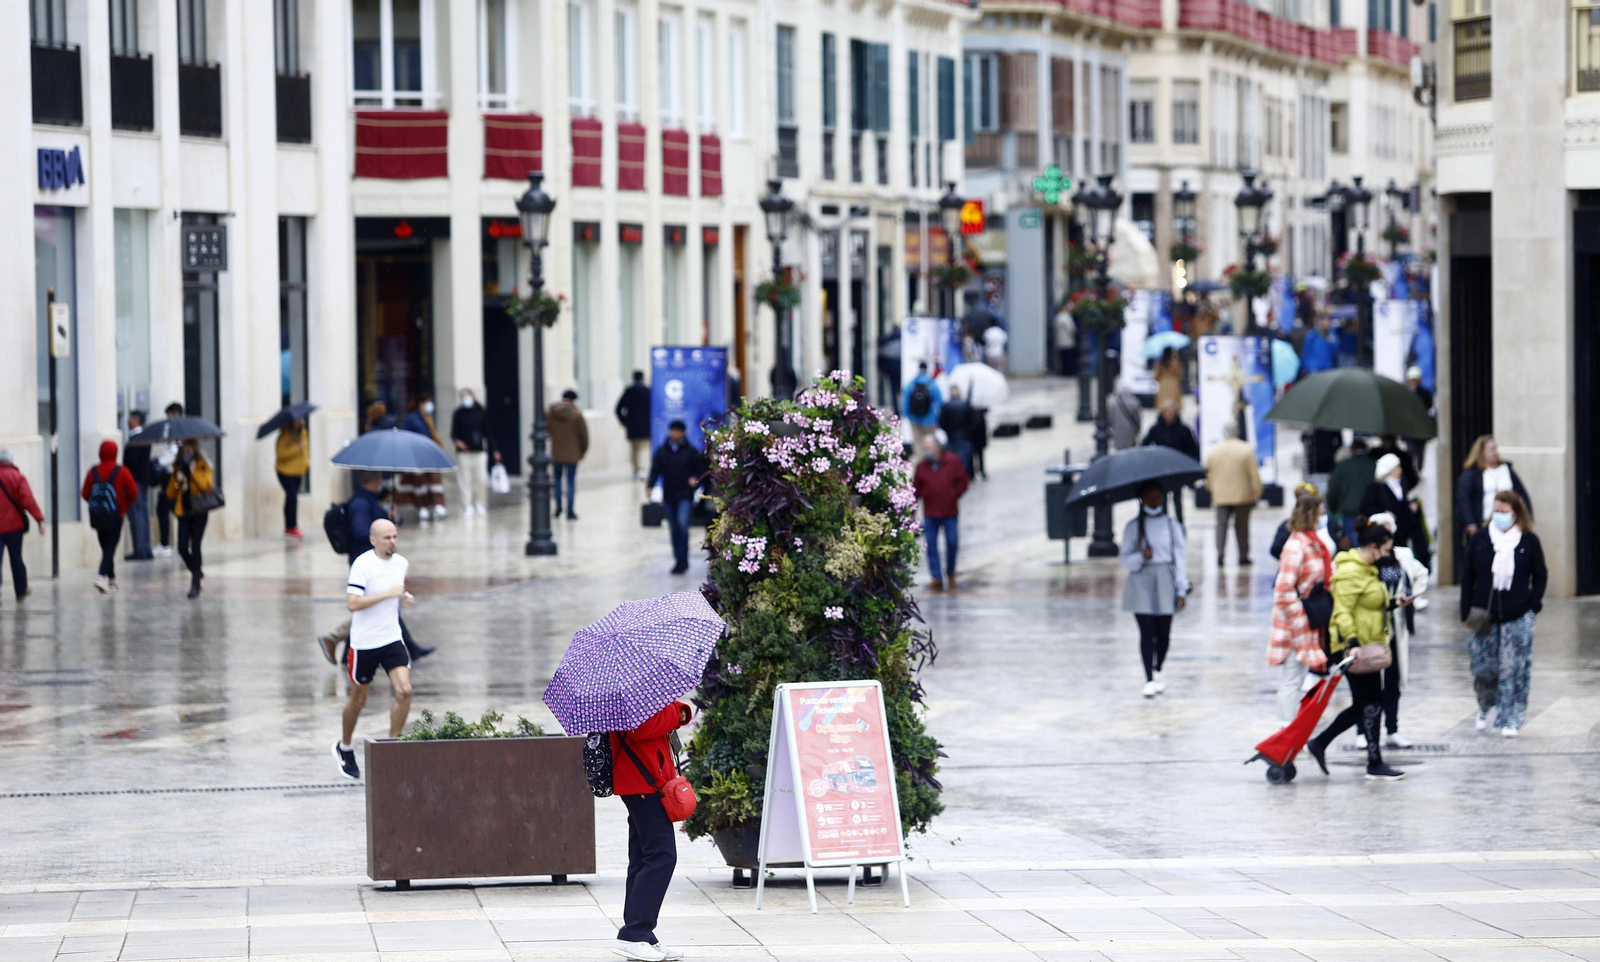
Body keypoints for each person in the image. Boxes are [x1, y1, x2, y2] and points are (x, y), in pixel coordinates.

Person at [1305, 520, 1407, 781]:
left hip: (1367, 646)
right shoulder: (1351, 572)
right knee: (1370, 704)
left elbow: (1370, 605)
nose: (1387, 555)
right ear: (1372, 547)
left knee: (1367, 704)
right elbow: (1343, 611)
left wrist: (1394, 603)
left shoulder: (1369, 569)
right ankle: (1371, 761)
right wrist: (1352, 644)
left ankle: (1323, 745)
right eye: (1385, 550)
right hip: (1354, 649)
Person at [316, 472, 435, 666]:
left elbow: (380, 527)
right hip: (365, 562)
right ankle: (334, 638)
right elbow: (361, 530)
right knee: (381, 606)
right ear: (376, 481)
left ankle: (346, 649)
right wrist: (382, 530)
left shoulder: (369, 501)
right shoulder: (360, 503)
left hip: (377, 560)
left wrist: (390, 520)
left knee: (380, 606)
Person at [332, 518, 416, 781]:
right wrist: (389, 594)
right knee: (358, 701)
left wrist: (404, 597)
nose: (392, 542)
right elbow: (353, 604)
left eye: (394, 536)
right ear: (373, 540)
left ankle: (392, 748)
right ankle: (344, 747)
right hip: (364, 643)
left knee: (404, 691)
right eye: (387, 538)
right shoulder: (362, 564)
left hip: (391, 638)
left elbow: (397, 594)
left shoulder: (401, 563)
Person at [611, 699, 693, 962]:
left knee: (642, 858)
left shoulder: (636, 688)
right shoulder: (627, 692)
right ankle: (634, 933)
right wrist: (674, 711)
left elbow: (657, 716)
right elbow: (643, 727)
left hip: (645, 781)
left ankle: (641, 934)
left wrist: (676, 709)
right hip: (643, 783)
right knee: (661, 857)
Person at [1460, 491, 1546, 738]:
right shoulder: (1481, 539)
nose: (1499, 516)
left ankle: (1511, 718)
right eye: (1495, 511)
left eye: (1504, 512)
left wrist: (1533, 604)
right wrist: (1464, 613)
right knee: (1483, 668)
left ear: (1516, 514)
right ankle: (1485, 705)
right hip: (1484, 616)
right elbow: (1468, 577)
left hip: (1518, 615)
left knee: (1514, 669)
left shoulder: (1528, 541)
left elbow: (1540, 574)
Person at [1364, 511, 1429, 749]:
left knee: (1393, 679)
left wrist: (1412, 597)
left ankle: (1392, 728)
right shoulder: (1361, 559)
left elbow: (1421, 574)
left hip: (1395, 627)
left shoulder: (1402, 555)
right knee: (1369, 681)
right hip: (1369, 629)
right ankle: (1364, 731)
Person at [1120, 481, 1190, 698]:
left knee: (1163, 633)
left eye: (1157, 497)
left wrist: (1181, 587)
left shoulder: (1172, 525)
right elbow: (1125, 558)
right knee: (1146, 631)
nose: (1153, 502)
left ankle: (1158, 667)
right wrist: (1142, 556)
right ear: (1141, 500)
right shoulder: (1133, 527)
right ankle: (1148, 676)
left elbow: (1180, 557)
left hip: (1164, 579)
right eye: (1149, 498)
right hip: (1141, 580)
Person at [1268, 494, 1332, 723]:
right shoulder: (1296, 546)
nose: (1323, 517)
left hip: (1308, 620)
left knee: (1298, 677)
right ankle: (1284, 732)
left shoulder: (1311, 542)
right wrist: (1301, 619)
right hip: (1296, 623)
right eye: (1320, 512)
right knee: (1292, 678)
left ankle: (1290, 731)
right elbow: (1283, 589)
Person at [1456, 435, 1533, 570]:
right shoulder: (1472, 474)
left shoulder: (1506, 469)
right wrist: (1470, 523)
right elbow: (1464, 499)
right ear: (1481, 453)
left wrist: (1526, 517)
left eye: (1496, 448)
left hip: (1510, 522)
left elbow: (1521, 494)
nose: (1495, 452)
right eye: (1491, 449)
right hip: (1486, 521)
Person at [912, 433, 969, 593]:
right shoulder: (921, 466)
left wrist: (953, 495)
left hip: (950, 512)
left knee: (952, 542)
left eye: (928, 448)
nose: (926, 452)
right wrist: (912, 511)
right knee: (931, 546)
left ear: (937, 448)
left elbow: (964, 481)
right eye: (924, 449)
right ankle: (936, 576)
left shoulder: (952, 461)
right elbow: (915, 490)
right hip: (930, 513)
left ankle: (950, 572)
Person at [648, 421, 706, 575]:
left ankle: (683, 558)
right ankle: (678, 559)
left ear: (683, 433)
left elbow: (700, 469)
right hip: (669, 495)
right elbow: (655, 470)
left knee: (682, 525)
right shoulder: (662, 451)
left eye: (678, 431)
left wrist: (695, 478)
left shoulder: (691, 451)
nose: (675, 434)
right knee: (673, 528)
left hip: (685, 496)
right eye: (673, 430)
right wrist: (650, 486)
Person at [82, 439, 139, 594]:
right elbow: (133, 492)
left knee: (106, 547)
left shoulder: (92, 471)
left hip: (98, 517)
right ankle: (101, 576)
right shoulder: (122, 471)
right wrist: (123, 507)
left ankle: (112, 580)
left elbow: (84, 492)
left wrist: (97, 506)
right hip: (116, 516)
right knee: (110, 548)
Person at [1359, 453, 1430, 568]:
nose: (1400, 470)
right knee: (1389, 560)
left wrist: (1410, 506)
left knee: (1405, 558)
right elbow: (1365, 508)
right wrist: (1384, 513)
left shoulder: (1402, 483)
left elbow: (1400, 504)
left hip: (1403, 530)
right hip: (1387, 531)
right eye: (1397, 467)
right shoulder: (1375, 487)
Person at [1204, 423, 1262, 566]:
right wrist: (1257, 491)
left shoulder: (1213, 451)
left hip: (1221, 495)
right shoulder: (1246, 450)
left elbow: (1208, 475)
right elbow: (1253, 474)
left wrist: (1211, 489)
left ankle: (1220, 554)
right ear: (1237, 432)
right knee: (1242, 527)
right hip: (1242, 495)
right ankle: (1243, 555)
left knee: (1221, 526)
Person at [165, 439, 216, 599]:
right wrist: (177, 481)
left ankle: (195, 585)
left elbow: (206, 486)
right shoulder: (178, 467)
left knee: (195, 546)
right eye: (183, 447)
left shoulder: (202, 464)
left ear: (194, 447)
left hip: (200, 510)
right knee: (181, 547)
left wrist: (193, 472)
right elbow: (171, 493)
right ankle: (197, 571)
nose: (186, 449)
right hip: (184, 511)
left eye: (189, 446)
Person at [0, 450, 45, 604]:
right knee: (16, 558)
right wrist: (39, 519)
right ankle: (21, 590)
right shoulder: (18, 477)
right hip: (14, 528)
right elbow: (27, 500)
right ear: (11, 461)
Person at [1143, 401, 1199, 523]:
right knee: (1162, 497)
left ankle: (1179, 523)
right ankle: (1164, 521)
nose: (1170, 414)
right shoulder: (1156, 429)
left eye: (1172, 412)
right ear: (1163, 414)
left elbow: (1192, 448)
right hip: (1160, 468)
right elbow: (1145, 445)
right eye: (1167, 412)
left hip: (1177, 468)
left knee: (1177, 498)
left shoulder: (1183, 429)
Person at [449, 387, 500, 517]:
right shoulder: (458, 413)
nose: (466, 399)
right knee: (464, 480)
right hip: (464, 453)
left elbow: (487, 432)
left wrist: (494, 450)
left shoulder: (480, 412)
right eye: (463, 397)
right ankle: (467, 505)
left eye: (468, 396)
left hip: (479, 451)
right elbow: (454, 433)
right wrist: (459, 442)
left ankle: (479, 503)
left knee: (481, 479)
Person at [398, 396, 447, 524]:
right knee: (420, 483)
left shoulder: (429, 419)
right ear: (421, 404)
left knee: (434, 480)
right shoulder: (413, 419)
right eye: (427, 402)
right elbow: (406, 436)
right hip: (417, 455)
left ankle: (438, 505)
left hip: (430, 454)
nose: (430, 405)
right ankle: (422, 507)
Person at [547, 389, 589, 520]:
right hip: (573, 453)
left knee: (557, 480)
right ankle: (570, 510)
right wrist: (582, 451)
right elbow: (584, 436)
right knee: (570, 482)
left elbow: (546, 429)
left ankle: (558, 506)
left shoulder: (550, 413)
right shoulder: (576, 414)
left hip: (557, 452)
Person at [1326, 438, 1376, 547]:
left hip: (1351, 515)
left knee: (1354, 549)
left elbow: (1333, 489)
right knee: (1371, 546)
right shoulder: (1374, 465)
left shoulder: (1343, 466)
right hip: (1371, 515)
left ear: (1353, 450)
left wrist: (1333, 508)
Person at [1269, 482, 1338, 560]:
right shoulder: (1288, 526)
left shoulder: (1329, 522)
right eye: (1301, 501)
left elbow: (1340, 547)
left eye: (1308, 502)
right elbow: (1275, 549)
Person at [151, 401, 184, 557]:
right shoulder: (174, 430)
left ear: (175, 413)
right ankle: (178, 542)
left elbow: (173, 454)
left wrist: (159, 461)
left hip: (171, 475)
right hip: (171, 475)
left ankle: (165, 544)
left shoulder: (177, 432)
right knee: (171, 508)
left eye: (169, 415)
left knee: (164, 508)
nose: (168, 418)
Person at [122, 411, 154, 561]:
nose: (128, 421)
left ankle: (140, 549)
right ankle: (145, 548)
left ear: (136, 420)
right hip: (142, 481)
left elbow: (132, 463)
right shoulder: (145, 438)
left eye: (129, 419)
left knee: (137, 515)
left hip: (134, 481)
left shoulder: (136, 439)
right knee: (143, 514)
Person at [615, 371, 653, 480]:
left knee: (635, 450)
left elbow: (618, 408)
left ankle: (636, 470)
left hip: (633, 427)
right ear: (642, 378)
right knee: (645, 448)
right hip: (646, 426)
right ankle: (645, 470)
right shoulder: (648, 391)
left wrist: (624, 421)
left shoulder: (629, 391)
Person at [276, 416, 309, 540]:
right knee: (292, 496)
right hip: (285, 471)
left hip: (298, 471)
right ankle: (291, 526)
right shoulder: (284, 436)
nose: (299, 421)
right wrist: (296, 448)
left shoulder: (303, 433)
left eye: (300, 419)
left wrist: (307, 463)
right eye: (297, 420)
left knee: (292, 497)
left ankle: (291, 526)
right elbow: (281, 454)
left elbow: (305, 449)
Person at [937, 385, 977, 476]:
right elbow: (973, 422)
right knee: (963, 461)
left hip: (951, 437)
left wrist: (948, 430)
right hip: (964, 437)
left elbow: (941, 423)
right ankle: (962, 476)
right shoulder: (966, 405)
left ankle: (954, 476)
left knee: (952, 460)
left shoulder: (946, 406)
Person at [900, 362, 943, 447]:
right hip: (930, 420)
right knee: (930, 444)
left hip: (914, 419)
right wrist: (937, 418)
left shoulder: (911, 384)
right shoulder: (932, 384)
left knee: (918, 444)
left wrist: (908, 416)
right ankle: (929, 459)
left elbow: (905, 402)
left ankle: (921, 459)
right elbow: (940, 402)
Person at [1404, 366, 1434, 472]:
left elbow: (1428, 406)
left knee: (1420, 450)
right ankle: (1412, 470)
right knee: (1411, 450)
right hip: (1409, 428)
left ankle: (1419, 469)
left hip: (1421, 427)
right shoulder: (1405, 392)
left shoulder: (1424, 393)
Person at [1109, 385, 1143, 451]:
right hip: (1131, 429)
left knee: (1119, 449)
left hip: (1117, 430)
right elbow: (1138, 418)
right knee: (1130, 449)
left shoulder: (1114, 403)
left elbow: (1110, 418)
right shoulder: (1135, 402)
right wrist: (1138, 428)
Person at [1153, 347, 1184, 412]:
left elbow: (1155, 376)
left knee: (1163, 408)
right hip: (1174, 385)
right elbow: (1180, 374)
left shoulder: (1159, 363)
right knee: (1174, 408)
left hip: (1163, 386)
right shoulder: (1175, 362)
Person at [1053, 305, 1077, 376]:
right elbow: (1072, 329)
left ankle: (1064, 371)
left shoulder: (1057, 317)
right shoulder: (1067, 317)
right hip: (1068, 341)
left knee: (1063, 358)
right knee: (1069, 359)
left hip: (1060, 342)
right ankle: (1069, 372)